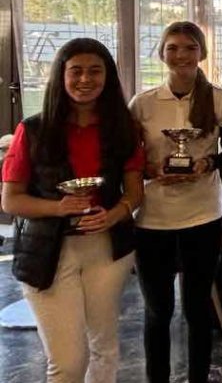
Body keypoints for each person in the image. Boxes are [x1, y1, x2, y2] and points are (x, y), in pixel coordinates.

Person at [1, 38, 144, 383]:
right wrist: (59, 207)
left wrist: (116, 213)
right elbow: (11, 201)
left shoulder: (123, 127)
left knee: (105, 348)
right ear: (60, 76)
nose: (85, 79)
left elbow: (135, 191)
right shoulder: (32, 130)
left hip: (107, 251)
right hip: (49, 253)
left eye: (95, 71)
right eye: (75, 71)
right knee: (68, 363)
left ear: (107, 77)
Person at [130, 21, 222, 383]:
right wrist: (152, 170)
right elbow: (129, 161)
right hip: (153, 221)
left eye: (189, 47)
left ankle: (198, 378)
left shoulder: (221, 100)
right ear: (162, 53)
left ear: (201, 53)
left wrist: (206, 163)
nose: (181, 55)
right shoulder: (141, 104)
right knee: (157, 311)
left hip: (203, 216)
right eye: (173, 48)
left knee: (196, 309)